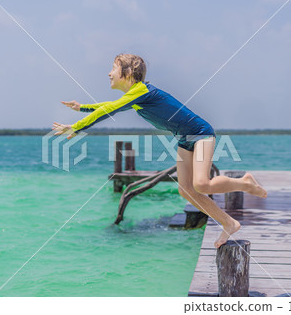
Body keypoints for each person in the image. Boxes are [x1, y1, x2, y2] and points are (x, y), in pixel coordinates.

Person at [52, 53, 267, 248]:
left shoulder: (142, 92)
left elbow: (110, 109)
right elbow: (110, 105)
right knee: (185, 190)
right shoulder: (135, 96)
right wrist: (82, 108)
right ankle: (228, 223)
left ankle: (244, 183)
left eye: (113, 68)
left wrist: (76, 126)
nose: (109, 73)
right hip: (184, 139)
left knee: (201, 184)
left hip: (201, 133)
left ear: (127, 73)